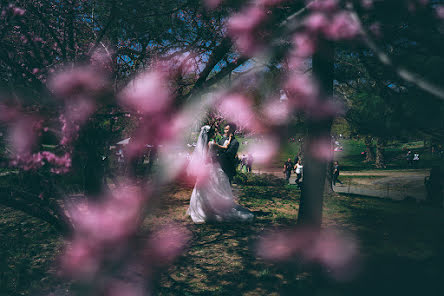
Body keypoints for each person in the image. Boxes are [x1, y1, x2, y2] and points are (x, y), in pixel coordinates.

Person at [186, 125, 253, 223]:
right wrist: (229, 139)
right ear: (211, 134)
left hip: (205, 168)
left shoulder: (203, 145)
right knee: (216, 186)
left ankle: (201, 207)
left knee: (203, 188)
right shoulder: (212, 144)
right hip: (213, 167)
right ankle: (216, 206)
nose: (215, 134)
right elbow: (225, 147)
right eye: (214, 132)